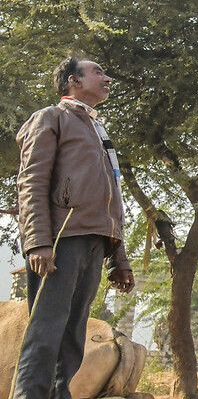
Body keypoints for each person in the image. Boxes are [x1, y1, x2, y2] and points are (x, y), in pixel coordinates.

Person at [14, 57, 135, 399]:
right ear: (72, 81)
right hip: (62, 237)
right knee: (46, 330)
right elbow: (31, 182)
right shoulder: (50, 119)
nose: (107, 77)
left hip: (95, 241)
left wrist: (118, 258)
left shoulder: (98, 130)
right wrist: (37, 241)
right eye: (98, 71)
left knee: (73, 335)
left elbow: (113, 198)